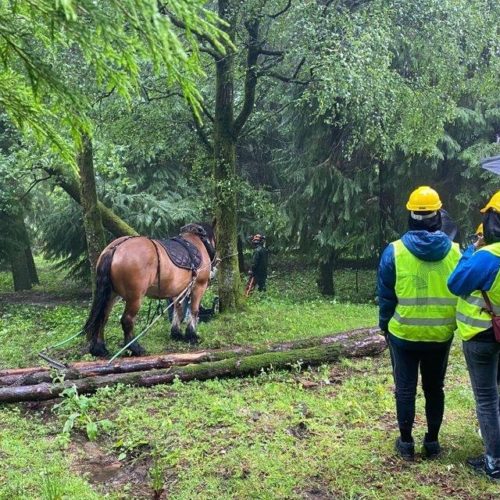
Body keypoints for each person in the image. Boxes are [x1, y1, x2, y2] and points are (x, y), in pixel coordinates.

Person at [378, 186, 461, 461]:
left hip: (403, 335)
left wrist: (384, 326)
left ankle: (405, 444)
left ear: (410, 215)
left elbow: (386, 297)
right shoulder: (456, 253)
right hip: (440, 335)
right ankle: (433, 443)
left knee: (405, 388)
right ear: (438, 215)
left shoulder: (394, 252)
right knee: (434, 388)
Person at [447, 191, 500, 482]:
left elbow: (455, 282)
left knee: (487, 398)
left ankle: (494, 462)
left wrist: (471, 249)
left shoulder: (487, 257)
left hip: (482, 335)